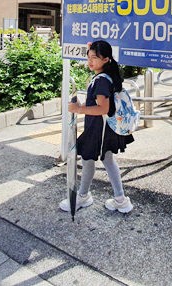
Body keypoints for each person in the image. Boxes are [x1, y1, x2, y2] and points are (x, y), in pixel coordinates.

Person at [59, 40, 134, 214]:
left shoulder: (101, 80)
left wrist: (79, 109)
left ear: (106, 59)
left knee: (88, 160)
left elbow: (103, 108)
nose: (91, 61)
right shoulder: (106, 76)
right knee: (105, 160)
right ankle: (119, 199)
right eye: (89, 57)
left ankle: (85, 197)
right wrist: (83, 105)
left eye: (95, 57)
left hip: (98, 130)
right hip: (103, 128)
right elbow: (99, 104)